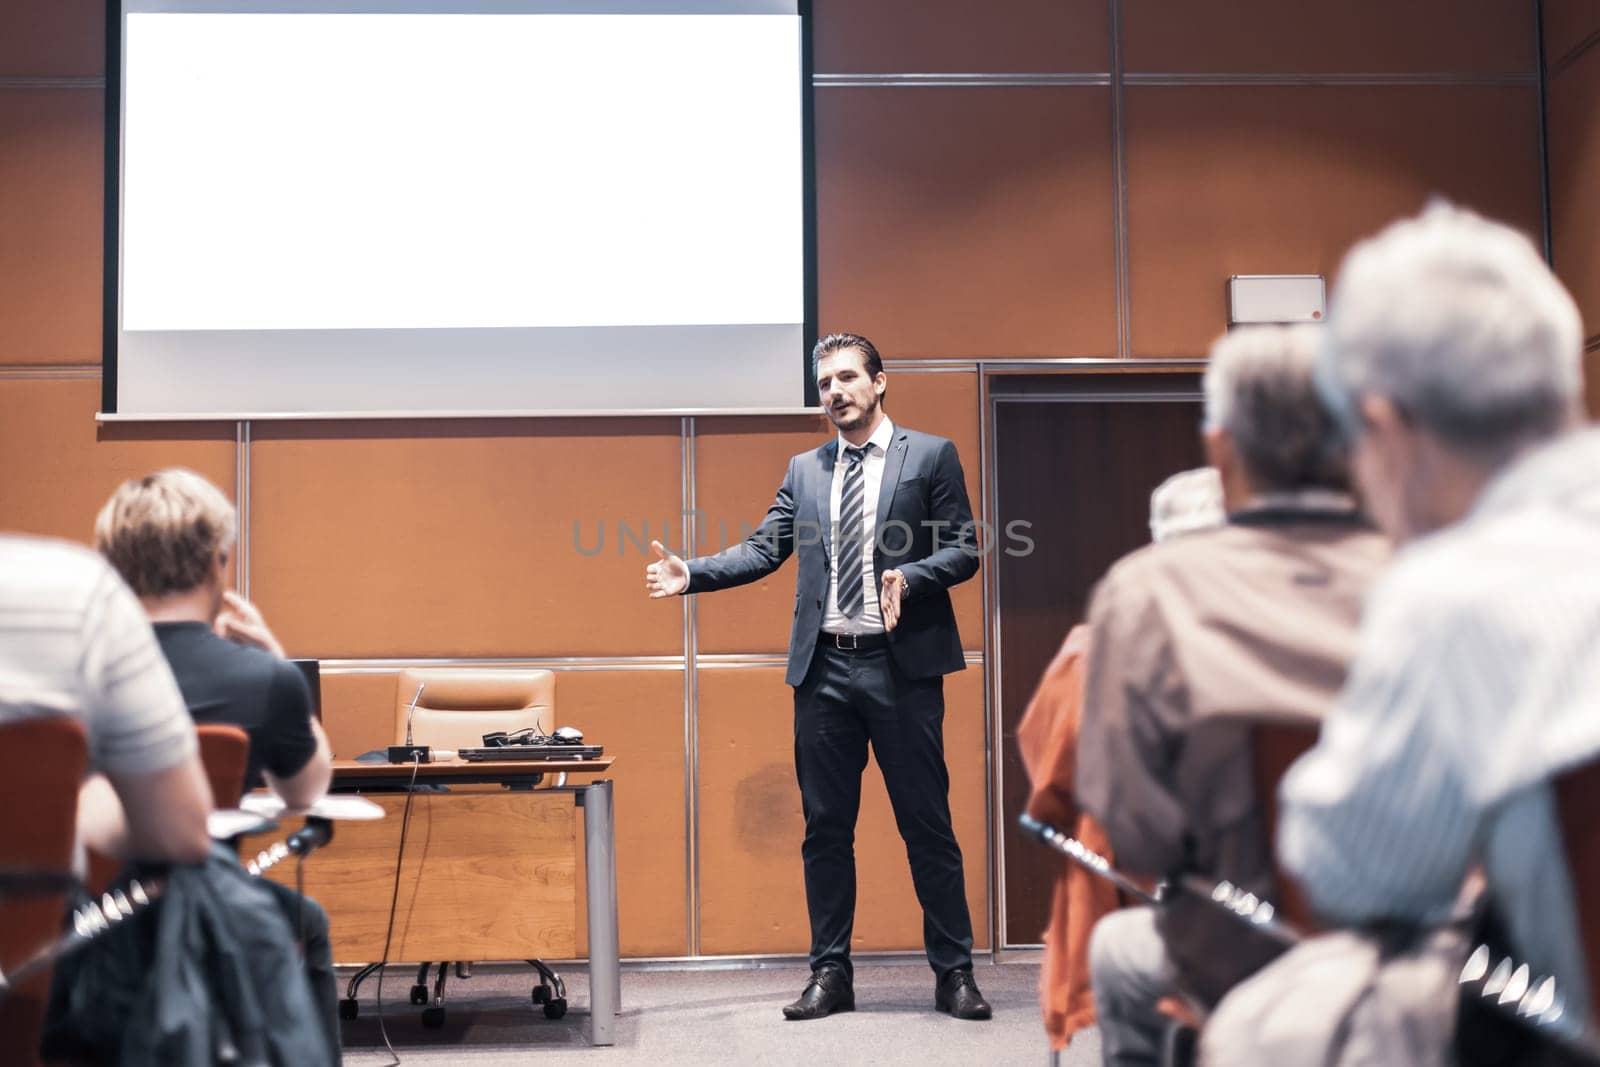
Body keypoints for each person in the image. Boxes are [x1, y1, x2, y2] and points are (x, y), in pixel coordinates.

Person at [1206, 203, 1599, 1057]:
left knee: (1267, 1028)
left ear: (1383, 429)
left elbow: (1356, 872)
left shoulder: (1460, 589)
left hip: (1561, 1022)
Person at [646, 332, 989, 1021]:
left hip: (902, 669)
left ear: (879, 381)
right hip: (825, 670)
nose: (834, 391)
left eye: (846, 377)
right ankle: (830, 974)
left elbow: (966, 546)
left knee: (927, 825)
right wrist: (693, 574)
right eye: (824, 382)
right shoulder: (806, 468)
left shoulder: (929, 455)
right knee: (826, 830)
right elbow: (764, 547)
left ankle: (954, 974)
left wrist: (911, 576)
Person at [1074, 324, 1389, 1066]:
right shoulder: (1436, 576)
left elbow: (1134, 828)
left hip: (1243, 955)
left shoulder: (1147, 591)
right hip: (1442, 966)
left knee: (1120, 950)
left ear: (1221, 452)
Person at [94, 468, 340, 1059]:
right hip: (207, 920)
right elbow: (308, 791)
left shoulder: (72, 673)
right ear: (216, 564)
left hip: (70, 921)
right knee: (305, 918)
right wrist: (278, 661)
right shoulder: (263, 680)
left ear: (114, 567)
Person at [1016, 466, 1224, 1053]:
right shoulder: (1301, 630)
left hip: (1149, 893)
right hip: (1302, 908)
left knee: (1121, 952)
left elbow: (1053, 783)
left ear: (1157, 544)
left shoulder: (1097, 651)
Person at [0, 534, 212, 866]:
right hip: (56, 914)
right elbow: (179, 832)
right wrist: (80, 798)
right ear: (214, 564)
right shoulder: (85, 594)